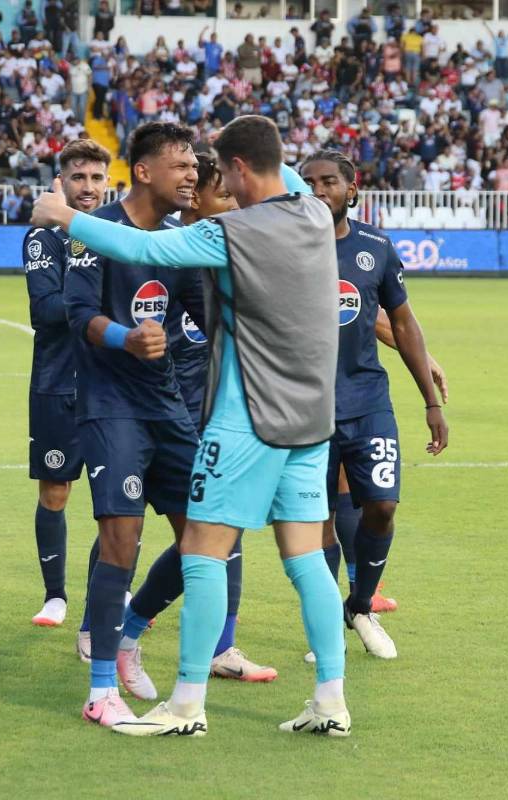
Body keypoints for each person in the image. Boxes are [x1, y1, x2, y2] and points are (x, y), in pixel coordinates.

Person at [32, 115, 352, 738]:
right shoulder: (315, 212)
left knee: (204, 550)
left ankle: (184, 705)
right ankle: (331, 701)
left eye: (211, 171)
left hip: (246, 419)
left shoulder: (229, 233)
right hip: (312, 423)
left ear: (233, 171)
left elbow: (146, 250)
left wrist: (63, 214)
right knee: (308, 559)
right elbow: (267, 162)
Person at [58, 122, 208, 727]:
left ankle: (129, 632)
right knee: (120, 537)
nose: (193, 175)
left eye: (195, 165)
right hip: (109, 402)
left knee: (206, 538)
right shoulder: (99, 234)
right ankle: (99, 692)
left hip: (166, 405)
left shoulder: (180, 242)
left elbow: (209, 316)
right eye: (182, 165)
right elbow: (76, 313)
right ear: (144, 171)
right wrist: (127, 337)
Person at [300, 150, 448, 661]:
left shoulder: (376, 248)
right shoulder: (287, 248)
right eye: (309, 183)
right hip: (305, 409)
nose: (319, 191)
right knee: (316, 522)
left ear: (352, 188)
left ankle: (358, 605)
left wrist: (430, 401)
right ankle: (325, 628)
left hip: (367, 401)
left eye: (329, 182)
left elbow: (400, 323)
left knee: (382, 506)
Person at [166, 145, 277, 683]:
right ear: (196, 198)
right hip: (161, 414)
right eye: (223, 194)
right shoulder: (168, 252)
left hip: (215, 417)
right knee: (125, 527)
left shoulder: (240, 253)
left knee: (219, 531)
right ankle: (111, 626)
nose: (235, 203)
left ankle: (222, 647)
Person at [22, 140, 110, 629]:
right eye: (79, 178)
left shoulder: (121, 230)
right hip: (58, 384)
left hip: (114, 388)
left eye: (97, 178)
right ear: (62, 182)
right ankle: (55, 596)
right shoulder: (44, 238)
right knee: (55, 492)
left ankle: (105, 594)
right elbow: (46, 311)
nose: (89, 187)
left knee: (116, 503)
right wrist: (103, 306)